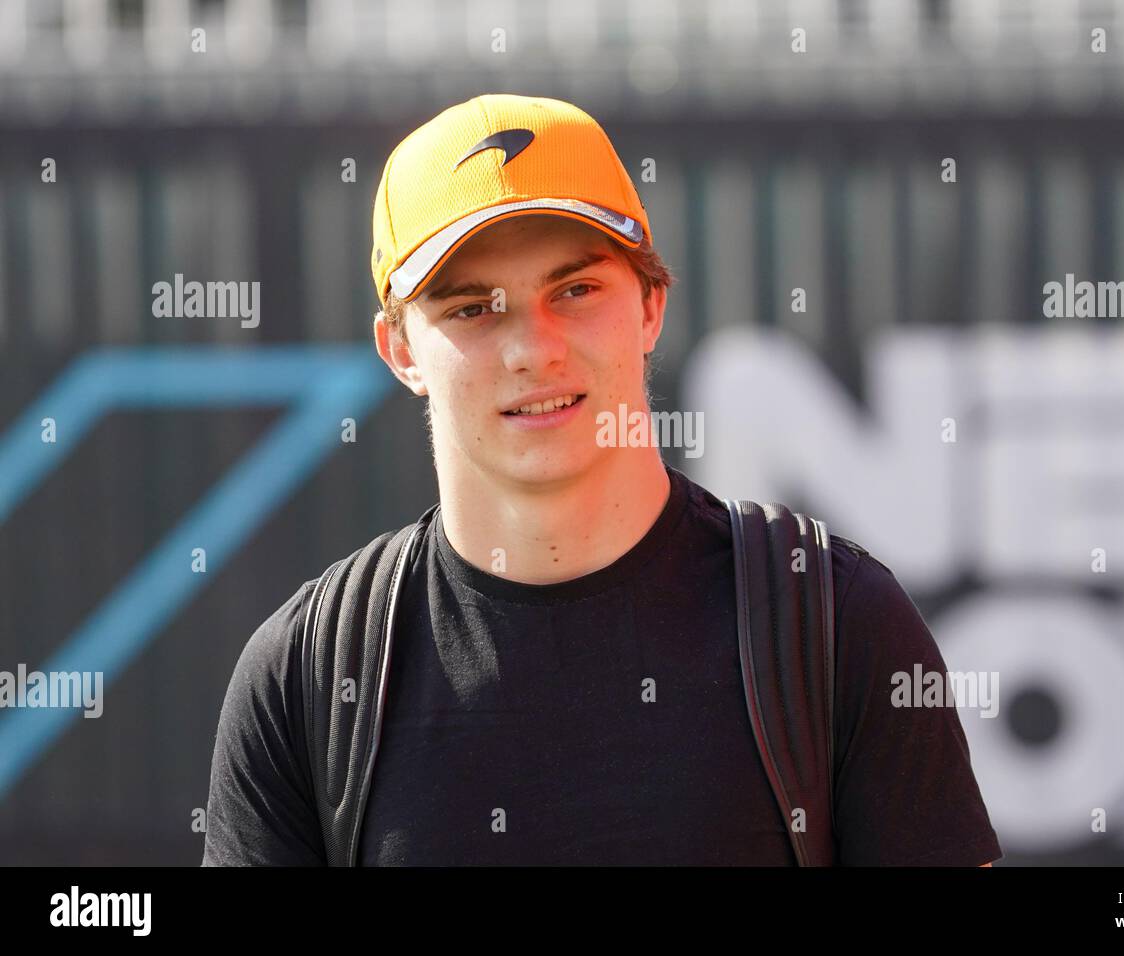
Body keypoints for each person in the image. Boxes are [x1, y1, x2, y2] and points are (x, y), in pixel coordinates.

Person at [201, 93, 1002, 866]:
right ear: (400, 350)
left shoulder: (835, 623)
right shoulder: (306, 676)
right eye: (474, 308)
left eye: (575, 290)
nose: (533, 348)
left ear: (651, 305)